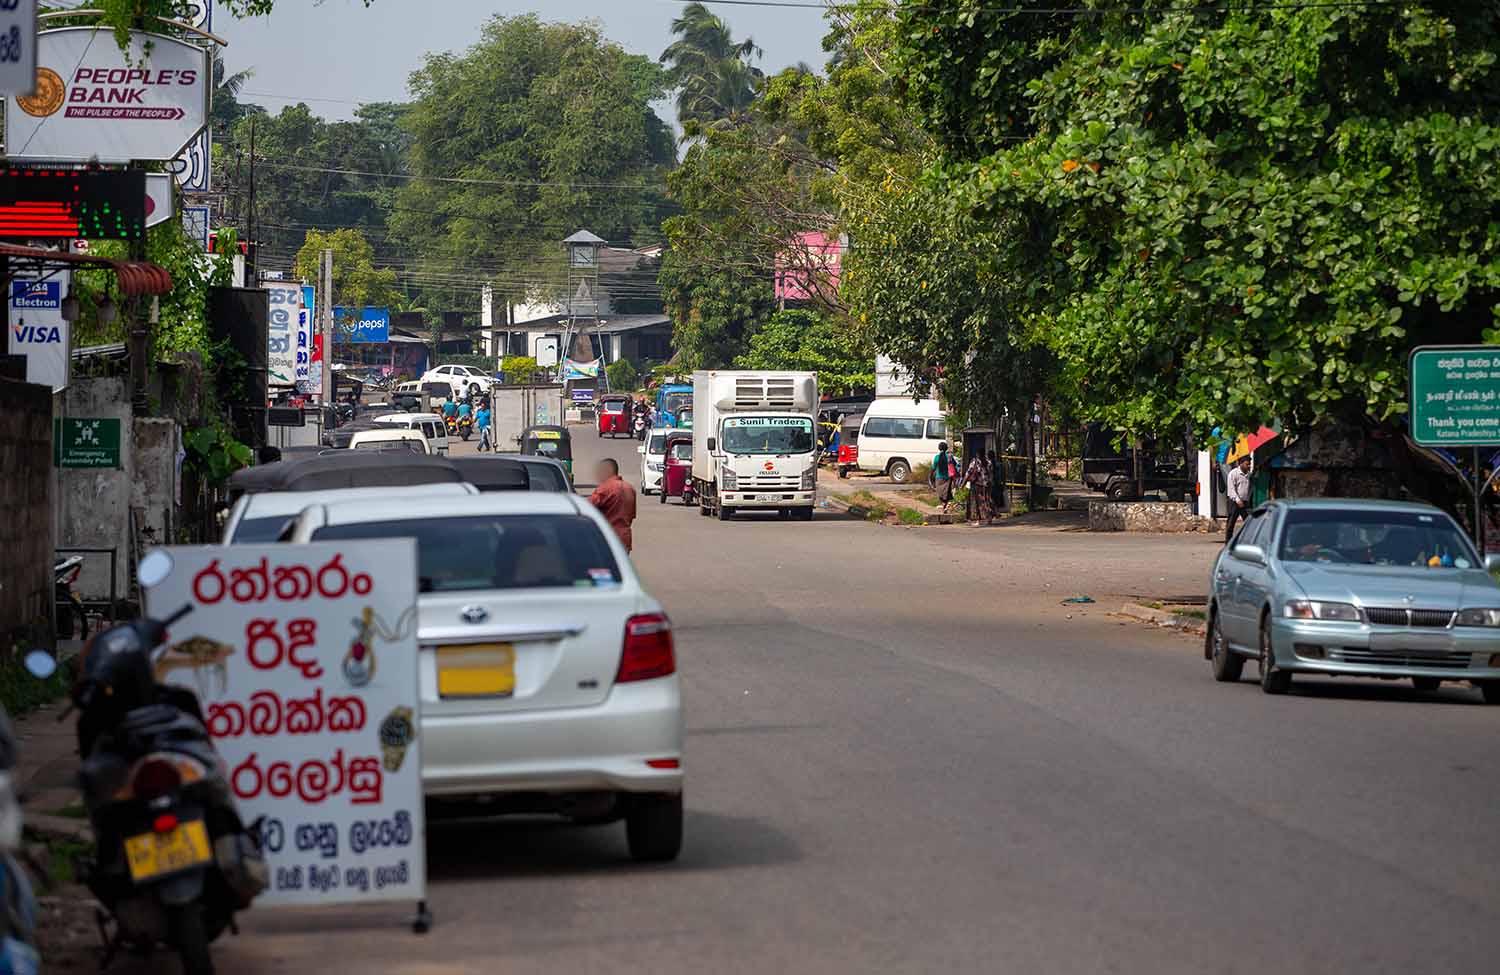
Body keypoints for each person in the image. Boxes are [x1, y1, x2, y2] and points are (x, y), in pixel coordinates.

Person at [589, 458, 638, 553]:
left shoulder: (605, 488)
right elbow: (631, 516)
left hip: (607, 538)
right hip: (624, 539)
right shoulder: (630, 488)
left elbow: (587, 508)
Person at [1225, 454, 1253, 543]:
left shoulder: (1249, 475)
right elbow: (1231, 489)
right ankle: (1228, 543)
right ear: (1240, 464)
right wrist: (1237, 500)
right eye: (1246, 464)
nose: (1248, 466)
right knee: (1231, 524)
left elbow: (1250, 488)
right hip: (1234, 502)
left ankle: (1247, 541)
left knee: (1249, 522)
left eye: (1249, 464)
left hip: (1244, 502)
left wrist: (1247, 499)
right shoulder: (1233, 474)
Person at [962, 448, 993, 525]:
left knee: (977, 503)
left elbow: (968, 473)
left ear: (977, 454)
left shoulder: (975, 461)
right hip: (987, 484)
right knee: (986, 501)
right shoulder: (988, 462)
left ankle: (978, 520)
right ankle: (989, 518)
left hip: (977, 484)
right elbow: (991, 474)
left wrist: (963, 484)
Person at [929, 441, 958, 513]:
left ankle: (944, 505)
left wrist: (930, 477)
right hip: (948, 477)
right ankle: (945, 505)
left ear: (939, 448)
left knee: (940, 493)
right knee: (946, 493)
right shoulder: (949, 456)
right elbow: (954, 464)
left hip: (939, 478)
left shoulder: (937, 457)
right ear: (946, 448)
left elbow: (933, 468)